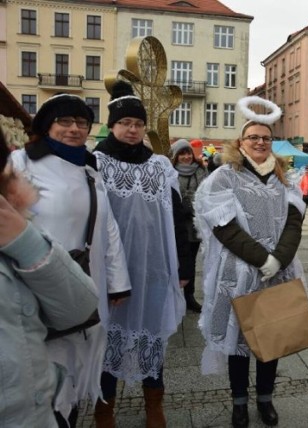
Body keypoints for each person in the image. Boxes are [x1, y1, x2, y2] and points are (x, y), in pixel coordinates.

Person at [10, 94, 132, 428]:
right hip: (38, 282)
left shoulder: (90, 169)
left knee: (80, 361)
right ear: (46, 126)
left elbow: (108, 230)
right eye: (64, 121)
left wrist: (118, 282)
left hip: (87, 280)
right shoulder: (21, 163)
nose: (74, 129)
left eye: (81, 123)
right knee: (47, 365)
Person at [194, 96, 304, 428]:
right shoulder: (224, 177)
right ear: (241, 142)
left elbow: (294, 222)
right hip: (238, 272)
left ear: (272, 143)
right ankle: (239, 402)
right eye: (253, 137)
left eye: (265, 138)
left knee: (270, 338)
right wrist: (261, 258)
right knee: (238, 342)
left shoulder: (285, 177)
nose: (259, 142)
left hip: (277, 272)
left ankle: (266, 399)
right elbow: (223, 226)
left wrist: (278, 259)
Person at [92, 80, 188, 428]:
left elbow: (179, 219)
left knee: (153, 334)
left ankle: (154, 404)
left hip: (154, 268)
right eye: (125, 124)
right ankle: (104, 409)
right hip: (111, 270)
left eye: (137, 124)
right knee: (107, 339)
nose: (132, 130)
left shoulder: (161, 166)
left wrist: (184, 266)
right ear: (112, 125)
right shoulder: (96, 163)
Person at [0, 129, 99, 427]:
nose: (74, 129)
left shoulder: (14, 218)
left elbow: (80, 307)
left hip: (37, 410)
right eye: (64, 121)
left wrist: (24, 240)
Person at [171, 138, 208, 313]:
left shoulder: (200, 170)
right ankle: (172, 296)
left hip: (193, 225)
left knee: (190, 262)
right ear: (176, 156)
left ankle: (189, 296)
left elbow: (206, 193)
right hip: (175, 225)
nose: (185, 157)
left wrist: (190, 204)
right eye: (181, 154)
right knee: (173, 260)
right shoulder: (169, 171)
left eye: (188, 153)